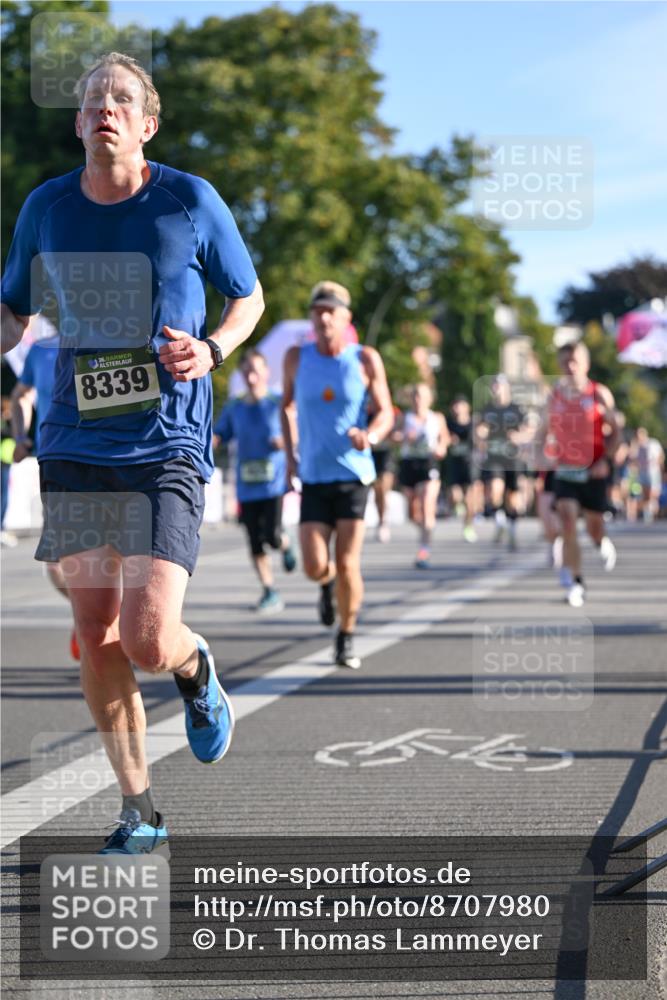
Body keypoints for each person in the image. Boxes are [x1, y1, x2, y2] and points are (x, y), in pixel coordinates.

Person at [0, 53, 264, 854]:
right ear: (79, 124)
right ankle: (140, 808)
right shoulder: (46, 207)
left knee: (150, 638)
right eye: (92, 101)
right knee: (94, 627)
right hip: (75, 437)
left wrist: (213, 349)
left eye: (121, 99)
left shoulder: (188, 200)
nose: (105, 108)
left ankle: (194, 672)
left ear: (146, 125)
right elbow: (12, 314)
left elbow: (246, 296)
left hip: (166, 440)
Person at [281, 280, 393, 669]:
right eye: (317, 311)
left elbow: (386, 411)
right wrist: (291, 461)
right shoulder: (297, 357)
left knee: (347, 562)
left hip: (353, 474)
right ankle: (326, 586)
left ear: (346, 318)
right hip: (313, 474)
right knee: (314, 565)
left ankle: (346, 635)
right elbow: (287, 407)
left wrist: (372, 434)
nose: (323, 317)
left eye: (331, 311)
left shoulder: (365, 359)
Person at [10, 326, 81, 656]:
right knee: (55, 564)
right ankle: (90, 613)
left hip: (105, 458)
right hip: (54, 461)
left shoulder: (109, 339)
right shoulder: (41, 349)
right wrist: (22, 435)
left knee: (113, 557)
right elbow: (21, 393)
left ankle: (103, 618)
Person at [213, 349, 296, 614]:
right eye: (247, 370)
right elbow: (220, 434)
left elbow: (298, 429)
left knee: (271, 536)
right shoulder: (235, 406)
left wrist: (285, 442)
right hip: (247, 485)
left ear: (266, 373)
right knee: (254, 540)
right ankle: (269, 590)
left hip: (273, 483)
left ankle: (285, 544)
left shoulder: (277, 401)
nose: (252, 376)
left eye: (256, 370)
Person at [548, 342, 619, 607]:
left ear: (586, 364)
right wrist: (541, 452)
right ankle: (576, 582)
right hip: (566, 469)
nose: (570, 366)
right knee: (567, 521)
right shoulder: (554, 396)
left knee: (593, 528)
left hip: (594, 471)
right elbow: (544, 431)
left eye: (575, 360)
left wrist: (606, 460)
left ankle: (601, 542)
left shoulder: (598, 393)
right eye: (565, 361)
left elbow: (616, 432)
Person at [396, 383, 449, 567]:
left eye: (422, 396)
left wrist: (441, 448)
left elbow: (445, 438)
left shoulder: (437, 418)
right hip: (409, 463)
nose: (418, 400)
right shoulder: (405, 417)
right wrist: (403, 436)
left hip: (429, 462)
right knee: (412, 512)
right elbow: (393, 436)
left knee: (427, 506)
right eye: (415, 396)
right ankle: (425, 532)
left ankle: (424, 550)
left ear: (429, 399)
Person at [476, 375, 527, 551]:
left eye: (499, 385)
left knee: (512, 499)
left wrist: (518, 437)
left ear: (506, 388)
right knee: (495, 491)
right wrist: (480, 434)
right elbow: (478, 431)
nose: (496, 389)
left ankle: (511, 530)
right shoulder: (487, 409)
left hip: (512, 459)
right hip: (494, 457)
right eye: (494, 386)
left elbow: (528, 431)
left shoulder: (516, 409)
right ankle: (500, 522)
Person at [445, 395, 479, 543]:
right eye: (455, 405)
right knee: (455, 496)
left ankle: (468, 525)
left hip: (470, 465)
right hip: (454, 464)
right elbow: (442, 439)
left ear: (467, 408)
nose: (457, 409)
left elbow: (482, 441)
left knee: (470, 500)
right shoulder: (448, 424)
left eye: (460, 405)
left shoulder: (473, 424)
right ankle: (458, 507)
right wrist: (448, 440)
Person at [633, 427, 664, 523]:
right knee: (645, 493)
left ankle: (653, 512)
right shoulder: (637, 446)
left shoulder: (653, 443)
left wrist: (660, 468)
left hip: (653, 471)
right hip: (643, 472)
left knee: (653, 493)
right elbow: (634, 459)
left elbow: (660, 455)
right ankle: (648, 513)